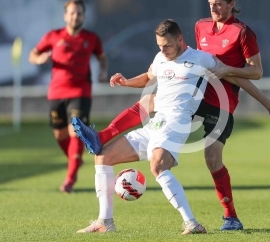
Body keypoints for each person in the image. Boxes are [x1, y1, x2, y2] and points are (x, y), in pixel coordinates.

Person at [73, 0, 270, 230]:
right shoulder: (198, 29)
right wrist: (126, 81)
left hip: (218, 105)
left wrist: (266, 103)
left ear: (232, 4)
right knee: (142, 111)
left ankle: (227, 217)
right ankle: (105, 219)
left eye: (219, 3)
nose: (213, 8)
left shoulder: (240, 35)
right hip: (185, 105)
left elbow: (252, 73)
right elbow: (153, 74)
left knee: (209, 159)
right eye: (210, 3)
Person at [72, 19, 239, 234]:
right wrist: (127, 81)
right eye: (159, 46)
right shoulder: (160, 57)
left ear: (180, 39)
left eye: (167, 45)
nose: (163, 50)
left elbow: (228, 72)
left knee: (158, 165)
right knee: (102, 157)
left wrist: (260, 91)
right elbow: (149, 77)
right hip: (156, 122)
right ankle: (105, 222)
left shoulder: (200, 58)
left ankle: (192, 223)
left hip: (176, 123)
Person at [28, 0, 108, 193]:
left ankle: (69, 180)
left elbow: (101, 57)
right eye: (72, 13)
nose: (75, 16)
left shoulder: (92, 38)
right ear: (65, 16)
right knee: (60, 134)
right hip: (56, 92)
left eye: (79, 13)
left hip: (81, 91)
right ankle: (76, 159)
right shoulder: (53, 36)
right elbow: (33, 54)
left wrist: (103, 71)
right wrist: (39, 59)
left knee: (76, 131)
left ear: (84, 16)